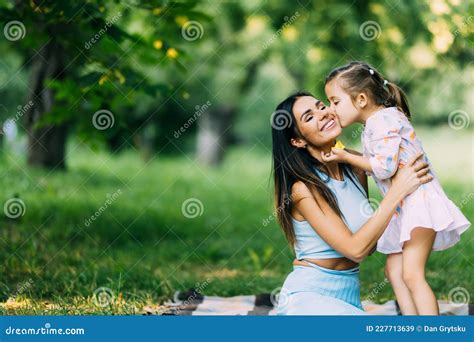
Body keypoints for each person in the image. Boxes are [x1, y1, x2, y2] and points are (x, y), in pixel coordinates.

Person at [323, 61, 471, 315]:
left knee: (412, 275)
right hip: (404, 206)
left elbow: (383, 168)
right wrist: (348, 153)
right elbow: (376, 165)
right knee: (394, 271)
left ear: (360, 99)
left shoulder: (383, 121)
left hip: (418, 204)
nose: (330, 109)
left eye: (335, 101)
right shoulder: (376, 123)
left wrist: (345, 158)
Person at [271, 91, 432, 315]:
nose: (323, 114)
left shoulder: (355, 167)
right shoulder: (303, 188)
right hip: (307, 299)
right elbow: (355, 250)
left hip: (350, 300)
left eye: (321, 106)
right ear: (297, 140)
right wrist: (397, 191)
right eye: (309, 117)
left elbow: (368, 243)